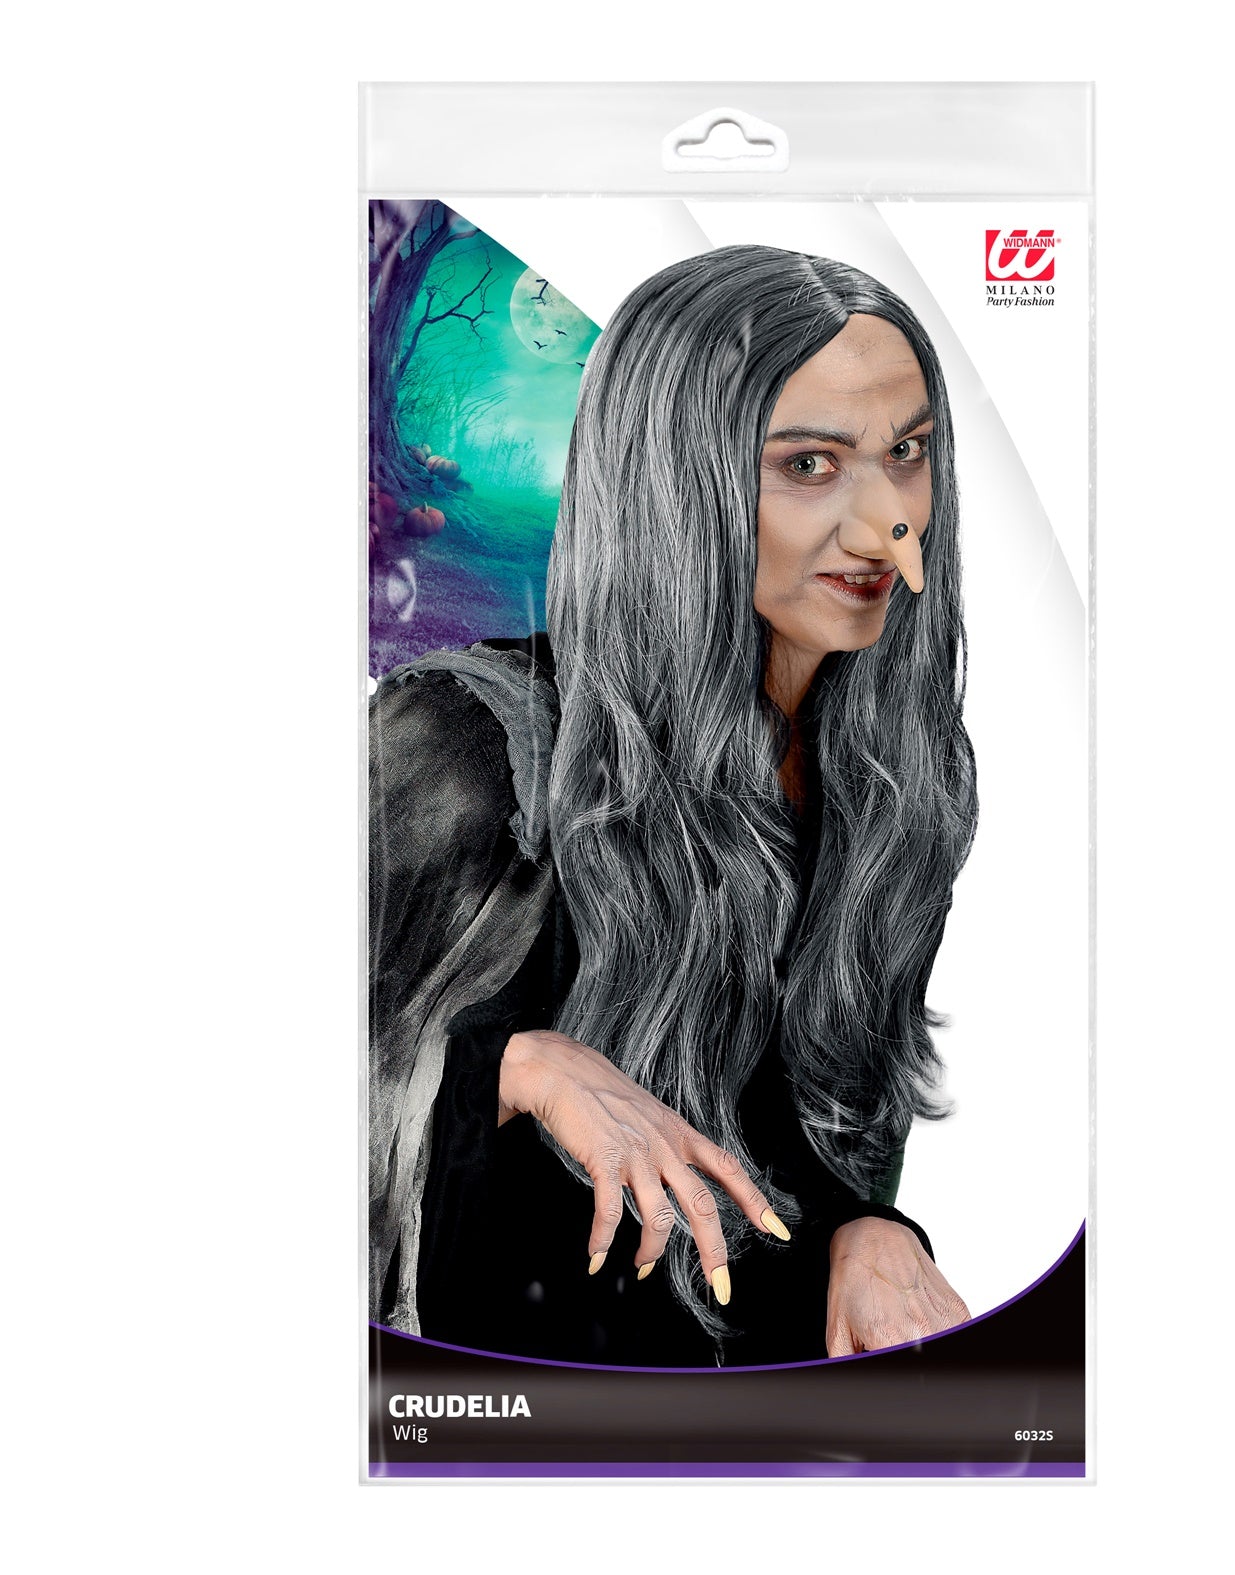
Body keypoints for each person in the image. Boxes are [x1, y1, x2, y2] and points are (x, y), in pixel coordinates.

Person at [369, 244, 978, 1367]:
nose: (884, 522)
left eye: (906, 453)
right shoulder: (465, 743)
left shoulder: (897, 785)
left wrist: (869, 1228)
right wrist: (514, 1067)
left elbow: (807, 1159)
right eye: (809, 464)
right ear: (672, 476)